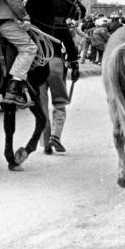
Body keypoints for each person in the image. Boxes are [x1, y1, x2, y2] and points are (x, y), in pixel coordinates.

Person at [39, 9, 81, 155]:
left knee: (41, 106)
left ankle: (45, 143)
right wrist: (75, 66)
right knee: (59, 103)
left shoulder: (34, 20)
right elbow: (70, 46)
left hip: (37, 64)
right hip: (55, 63)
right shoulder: (59, 22)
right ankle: (55, 136)